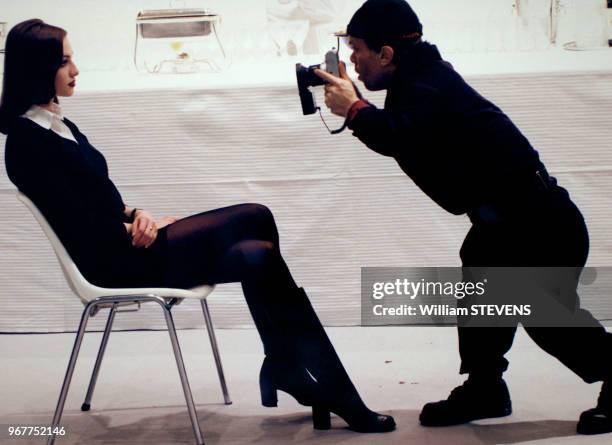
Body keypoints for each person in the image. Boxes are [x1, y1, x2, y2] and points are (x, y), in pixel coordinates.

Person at [0, 19, 395, 434]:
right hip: (116, 263)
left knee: (257, 255)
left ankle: (299, 372)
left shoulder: (58, 126)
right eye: (65, 61)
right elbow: (79, 226)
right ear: (38, 67)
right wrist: (132, 230)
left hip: (129, 243)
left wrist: (139, 215)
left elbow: (98, 199)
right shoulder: (28, 142)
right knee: (254, 215)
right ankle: (310, 378)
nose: (76, 69)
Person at [315, 0, 612, 435]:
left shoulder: (429, 85)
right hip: (504, 223)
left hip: (540, 224)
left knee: (549, 320)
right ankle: (485, 388)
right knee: (479, 305)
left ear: (387, 54)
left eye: (357, 48)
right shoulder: (419, 78)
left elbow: (393, 134)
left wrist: (355, 110)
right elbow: (400, 131)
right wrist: (360, 106)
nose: (352, 60)